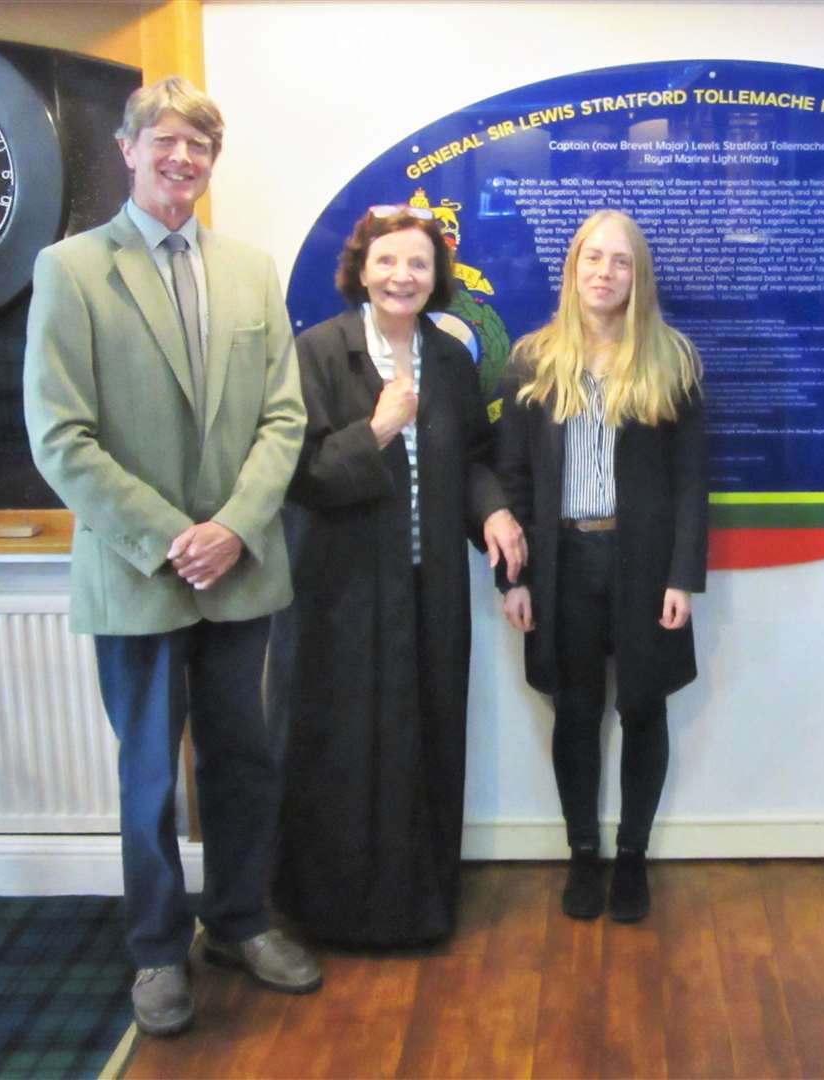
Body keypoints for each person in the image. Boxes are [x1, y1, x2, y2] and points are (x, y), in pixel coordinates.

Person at [23, 77, 318, 1037]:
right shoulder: (70, 270)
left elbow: (285, 417)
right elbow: (61, 436)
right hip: (136, 574)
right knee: (150, 776)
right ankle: (157, 951)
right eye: (165, 140)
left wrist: (232, 525)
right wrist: (167, 537)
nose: (181, 158)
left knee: (244, 760)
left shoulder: (250, 271)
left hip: (240, 569)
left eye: (199, 144)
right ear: (127, 146)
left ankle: (238, 920)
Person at [268, 207, 525, 946]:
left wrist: (496, 516)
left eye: (417, 264)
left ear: (436, 277)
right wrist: (378, 428)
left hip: (429, 589)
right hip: (341, 597)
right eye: (387, 262)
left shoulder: (447, 358)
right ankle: (332, 913)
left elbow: (473, 457)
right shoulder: (318, 352)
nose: (401, 277)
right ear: (361, 270)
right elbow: (300, 476)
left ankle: (421, 905)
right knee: (345, 751)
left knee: (428, 743)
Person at [495, 209, 707, 923]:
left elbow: (689, 481)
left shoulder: (672, 359)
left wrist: (683, 575)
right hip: (560, 563)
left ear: (637, 275)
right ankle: (583, 855)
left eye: (619, 261)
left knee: (643, 707)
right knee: (576, 713)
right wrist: (513, 578)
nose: (604, 273)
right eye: (593, 258)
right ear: (573, 268)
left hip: (644, 566)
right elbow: (514, 477)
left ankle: (632, 860)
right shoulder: (533, 359)